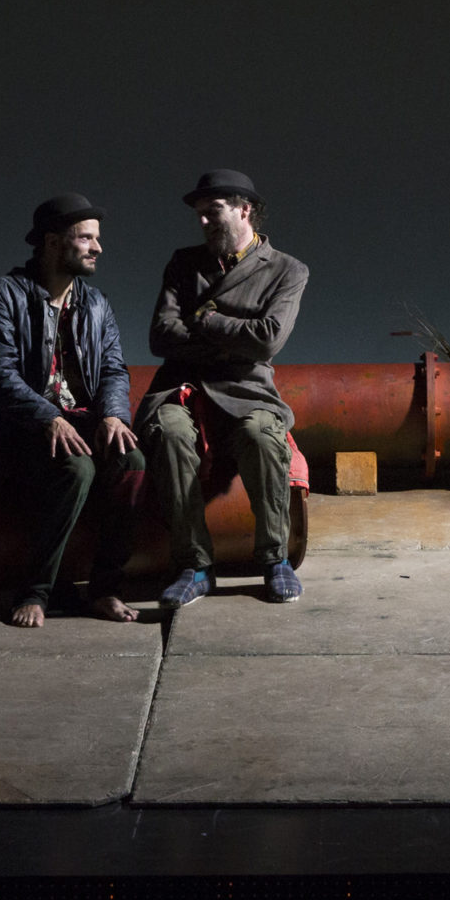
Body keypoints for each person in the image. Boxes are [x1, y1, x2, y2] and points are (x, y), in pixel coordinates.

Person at [0, 193, 145, 627]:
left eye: (96, 238)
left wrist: (111, 415)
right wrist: (46, 417)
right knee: (77, 469)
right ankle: (36, 592)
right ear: (52, 243)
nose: (97, 247)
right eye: (85, 238)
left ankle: (106, 589)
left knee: (133, 462)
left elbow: (113, 369)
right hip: (17, 430)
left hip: (83, 423)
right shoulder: (4, 294)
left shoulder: (97, 303)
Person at [138, 169, 309, 608]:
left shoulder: (288, 270)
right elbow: (160, 337)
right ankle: (194, 566)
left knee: (262, 436)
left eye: (212, 212)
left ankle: (275, 560)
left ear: (244, 210)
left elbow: (269, 337)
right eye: (198, 214)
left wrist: (206, 320)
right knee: (169, 433)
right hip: (181, 386)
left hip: (249, 390)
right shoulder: (182, 263)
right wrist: (233, 342)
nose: (203, 222)